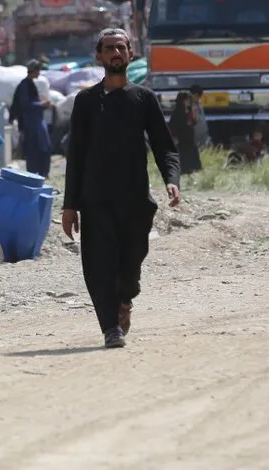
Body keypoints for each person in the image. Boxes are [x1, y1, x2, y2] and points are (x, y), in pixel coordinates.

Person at [63, 28, 180, 349]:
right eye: (109, 48)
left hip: (135, 199)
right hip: (95, 199)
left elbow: (164, 146)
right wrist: (70, 205)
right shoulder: (86, 102)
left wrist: (172, 179)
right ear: (98, 56)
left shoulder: (143, 99)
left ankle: (125, 298)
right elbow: (76, 155)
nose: (115, 53)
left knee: (131, 265)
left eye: (121, 47)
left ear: (131, 54)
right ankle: (110, 327)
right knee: (98, 266)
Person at [9, 59, 52, 177]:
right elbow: (25, 104)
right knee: (33, 149)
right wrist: (42, 104)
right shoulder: (24, 85)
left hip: (37, 121)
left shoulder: (30, 84)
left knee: (44, 147)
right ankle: (34, 173)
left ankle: (43, 172)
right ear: (34, 71)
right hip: (31, 123)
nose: (39, 73)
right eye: (38, 70)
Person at [168, 91, 203, 174]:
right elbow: (173, 126)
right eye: (186, 100)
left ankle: (194, 171)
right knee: (184, 157)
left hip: (190, 138)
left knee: (193, 156)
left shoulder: (189, 110)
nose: (188, 102)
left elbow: (193, 123)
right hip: (182, 139)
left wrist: (194, 116)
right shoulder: (177, 112)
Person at [190, 85, 210, 150]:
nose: (199, 98)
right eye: (198, 97)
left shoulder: (199, 104)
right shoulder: (189, 106)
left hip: (203, 134)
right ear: (195, 95)